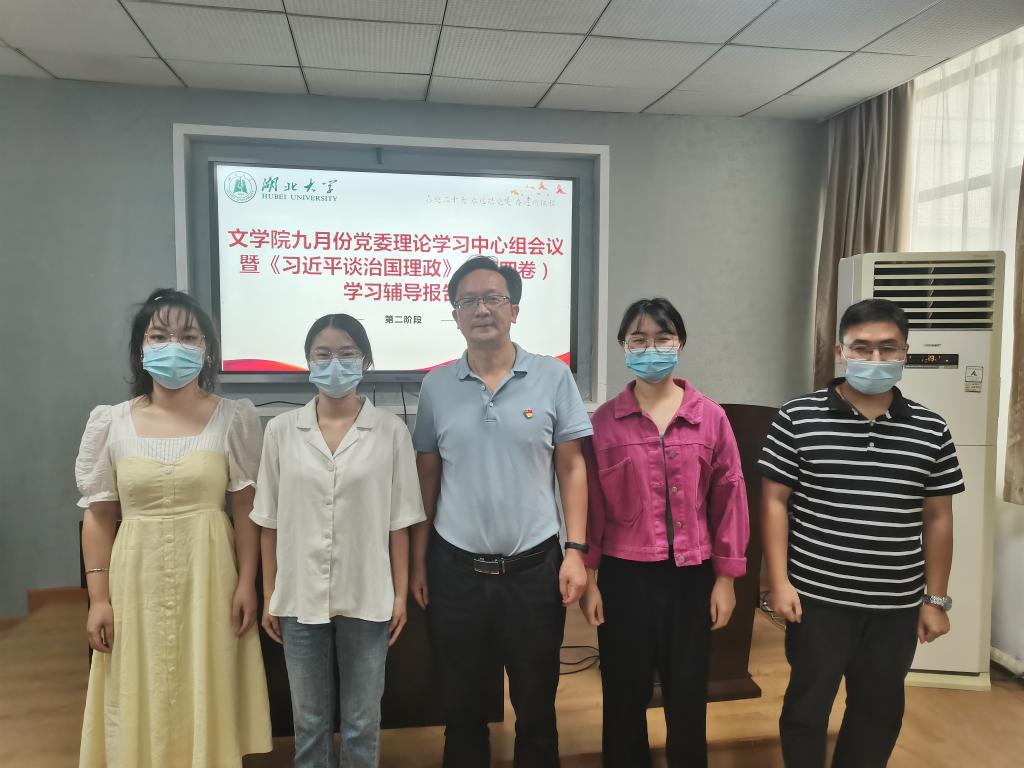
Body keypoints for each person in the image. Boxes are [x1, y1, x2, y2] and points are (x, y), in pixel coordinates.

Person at [759, 298, 963, 768]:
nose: (875, 359)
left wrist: (935, 600)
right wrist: (779, 582)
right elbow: (773, 503)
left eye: (888, 348)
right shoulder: (797, 416)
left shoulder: (931, 428)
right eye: (862, 348)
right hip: (817, 599)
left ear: (905, 352)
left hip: (895, 605)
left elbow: (938, 517)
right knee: (807, 707)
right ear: (840, 351)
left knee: (878, 712)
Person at [76, 288, 272, 767]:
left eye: (188, 336)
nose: (174, 346)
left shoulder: (233, 418)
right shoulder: (111, 423)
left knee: (208, 679)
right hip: (134, 580)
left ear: (207, 349)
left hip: (210, 576)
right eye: (159, 336)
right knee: (136, 684)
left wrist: (247, 583)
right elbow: (99, 515)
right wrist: (98, 599)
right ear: (140, 349)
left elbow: (246, 507)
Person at [409, 256, 592, 767]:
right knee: (461, 707)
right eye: (468, 301)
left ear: (514, 309)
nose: (481, 309)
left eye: (493, 298)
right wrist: (419, 562)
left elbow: (572, 468)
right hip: (455, 571)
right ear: (455, 314)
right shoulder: (436, 385)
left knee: (536, 707)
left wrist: (576, 551)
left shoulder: (553, 376)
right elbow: (428, 475)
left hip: (534, 570)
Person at [580, 297, 749, 768]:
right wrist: (590, 579)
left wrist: (726, 580)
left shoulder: (710, 417)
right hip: (624, 578)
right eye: (639, 340)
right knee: (623, 694)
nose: (650, 349)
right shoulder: (603, 423)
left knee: (688, 694)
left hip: (691, 578)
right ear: (623, 346)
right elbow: (591, 506)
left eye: (662, 338)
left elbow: (730, 497)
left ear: (680, 344)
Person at [251, 314, 426, 768]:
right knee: (309, 722)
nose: (335, 363)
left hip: (368, 593)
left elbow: (400, 522)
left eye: (347, 353)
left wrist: (399, 594)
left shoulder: (390, 430)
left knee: (362, 721)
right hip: (298, 595)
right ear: (307, 361)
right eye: (323, 354)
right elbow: (268, 520)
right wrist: (270, 594)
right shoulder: (281, 431)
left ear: (365, 361)